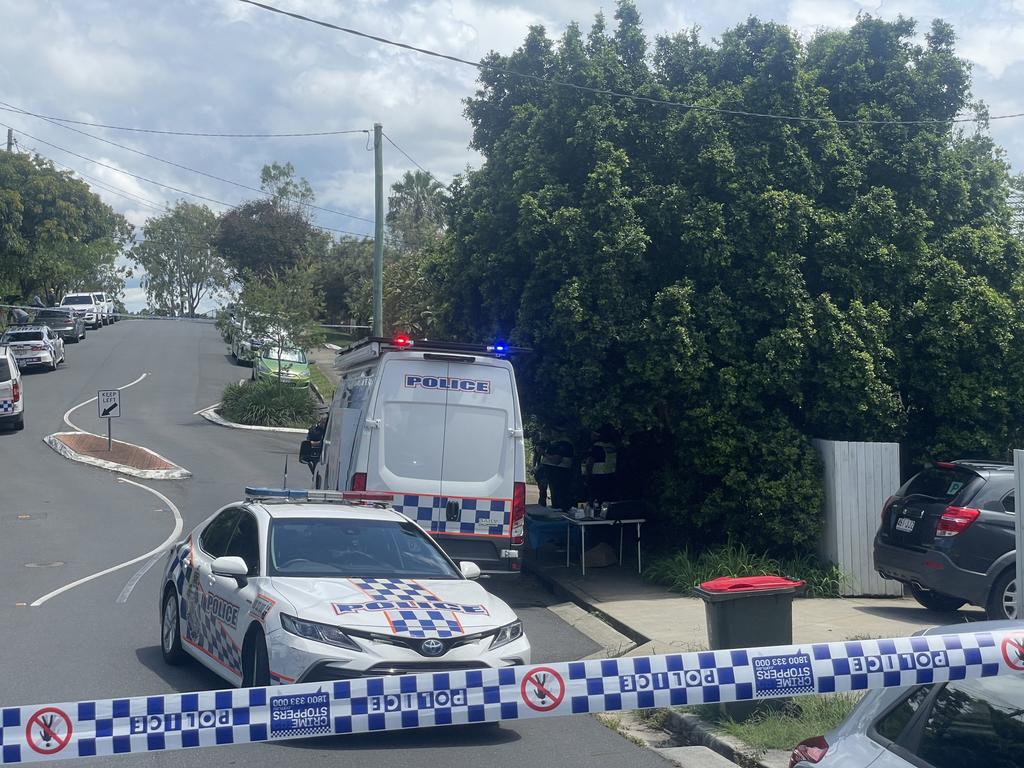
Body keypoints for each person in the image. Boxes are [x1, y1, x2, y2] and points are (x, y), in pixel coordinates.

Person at [539, 425, 574, 511]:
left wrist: (543, 453)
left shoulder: (564, 444)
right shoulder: (555, 443)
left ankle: (561, 515)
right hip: (555, 476)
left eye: (553, 431)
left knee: (560, 501)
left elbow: (556, 460)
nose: (551, 433)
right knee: (555, 498)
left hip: (559, 476)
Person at [585, 425, 618, 506]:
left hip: (597, 479)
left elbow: (589, 463)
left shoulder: (597, 447)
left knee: (596, 501)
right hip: (610, 477)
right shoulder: (612, 447)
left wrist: (587, 477)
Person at [532, 430, 550, 506]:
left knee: (543, 489)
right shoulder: (538, 445)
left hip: (544, 470)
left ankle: (542, 503)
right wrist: (534, 468)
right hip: (540, 471)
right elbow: (535, 457)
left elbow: (544, 460)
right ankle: (542, 503)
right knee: (542, 489)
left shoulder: (546, 444)